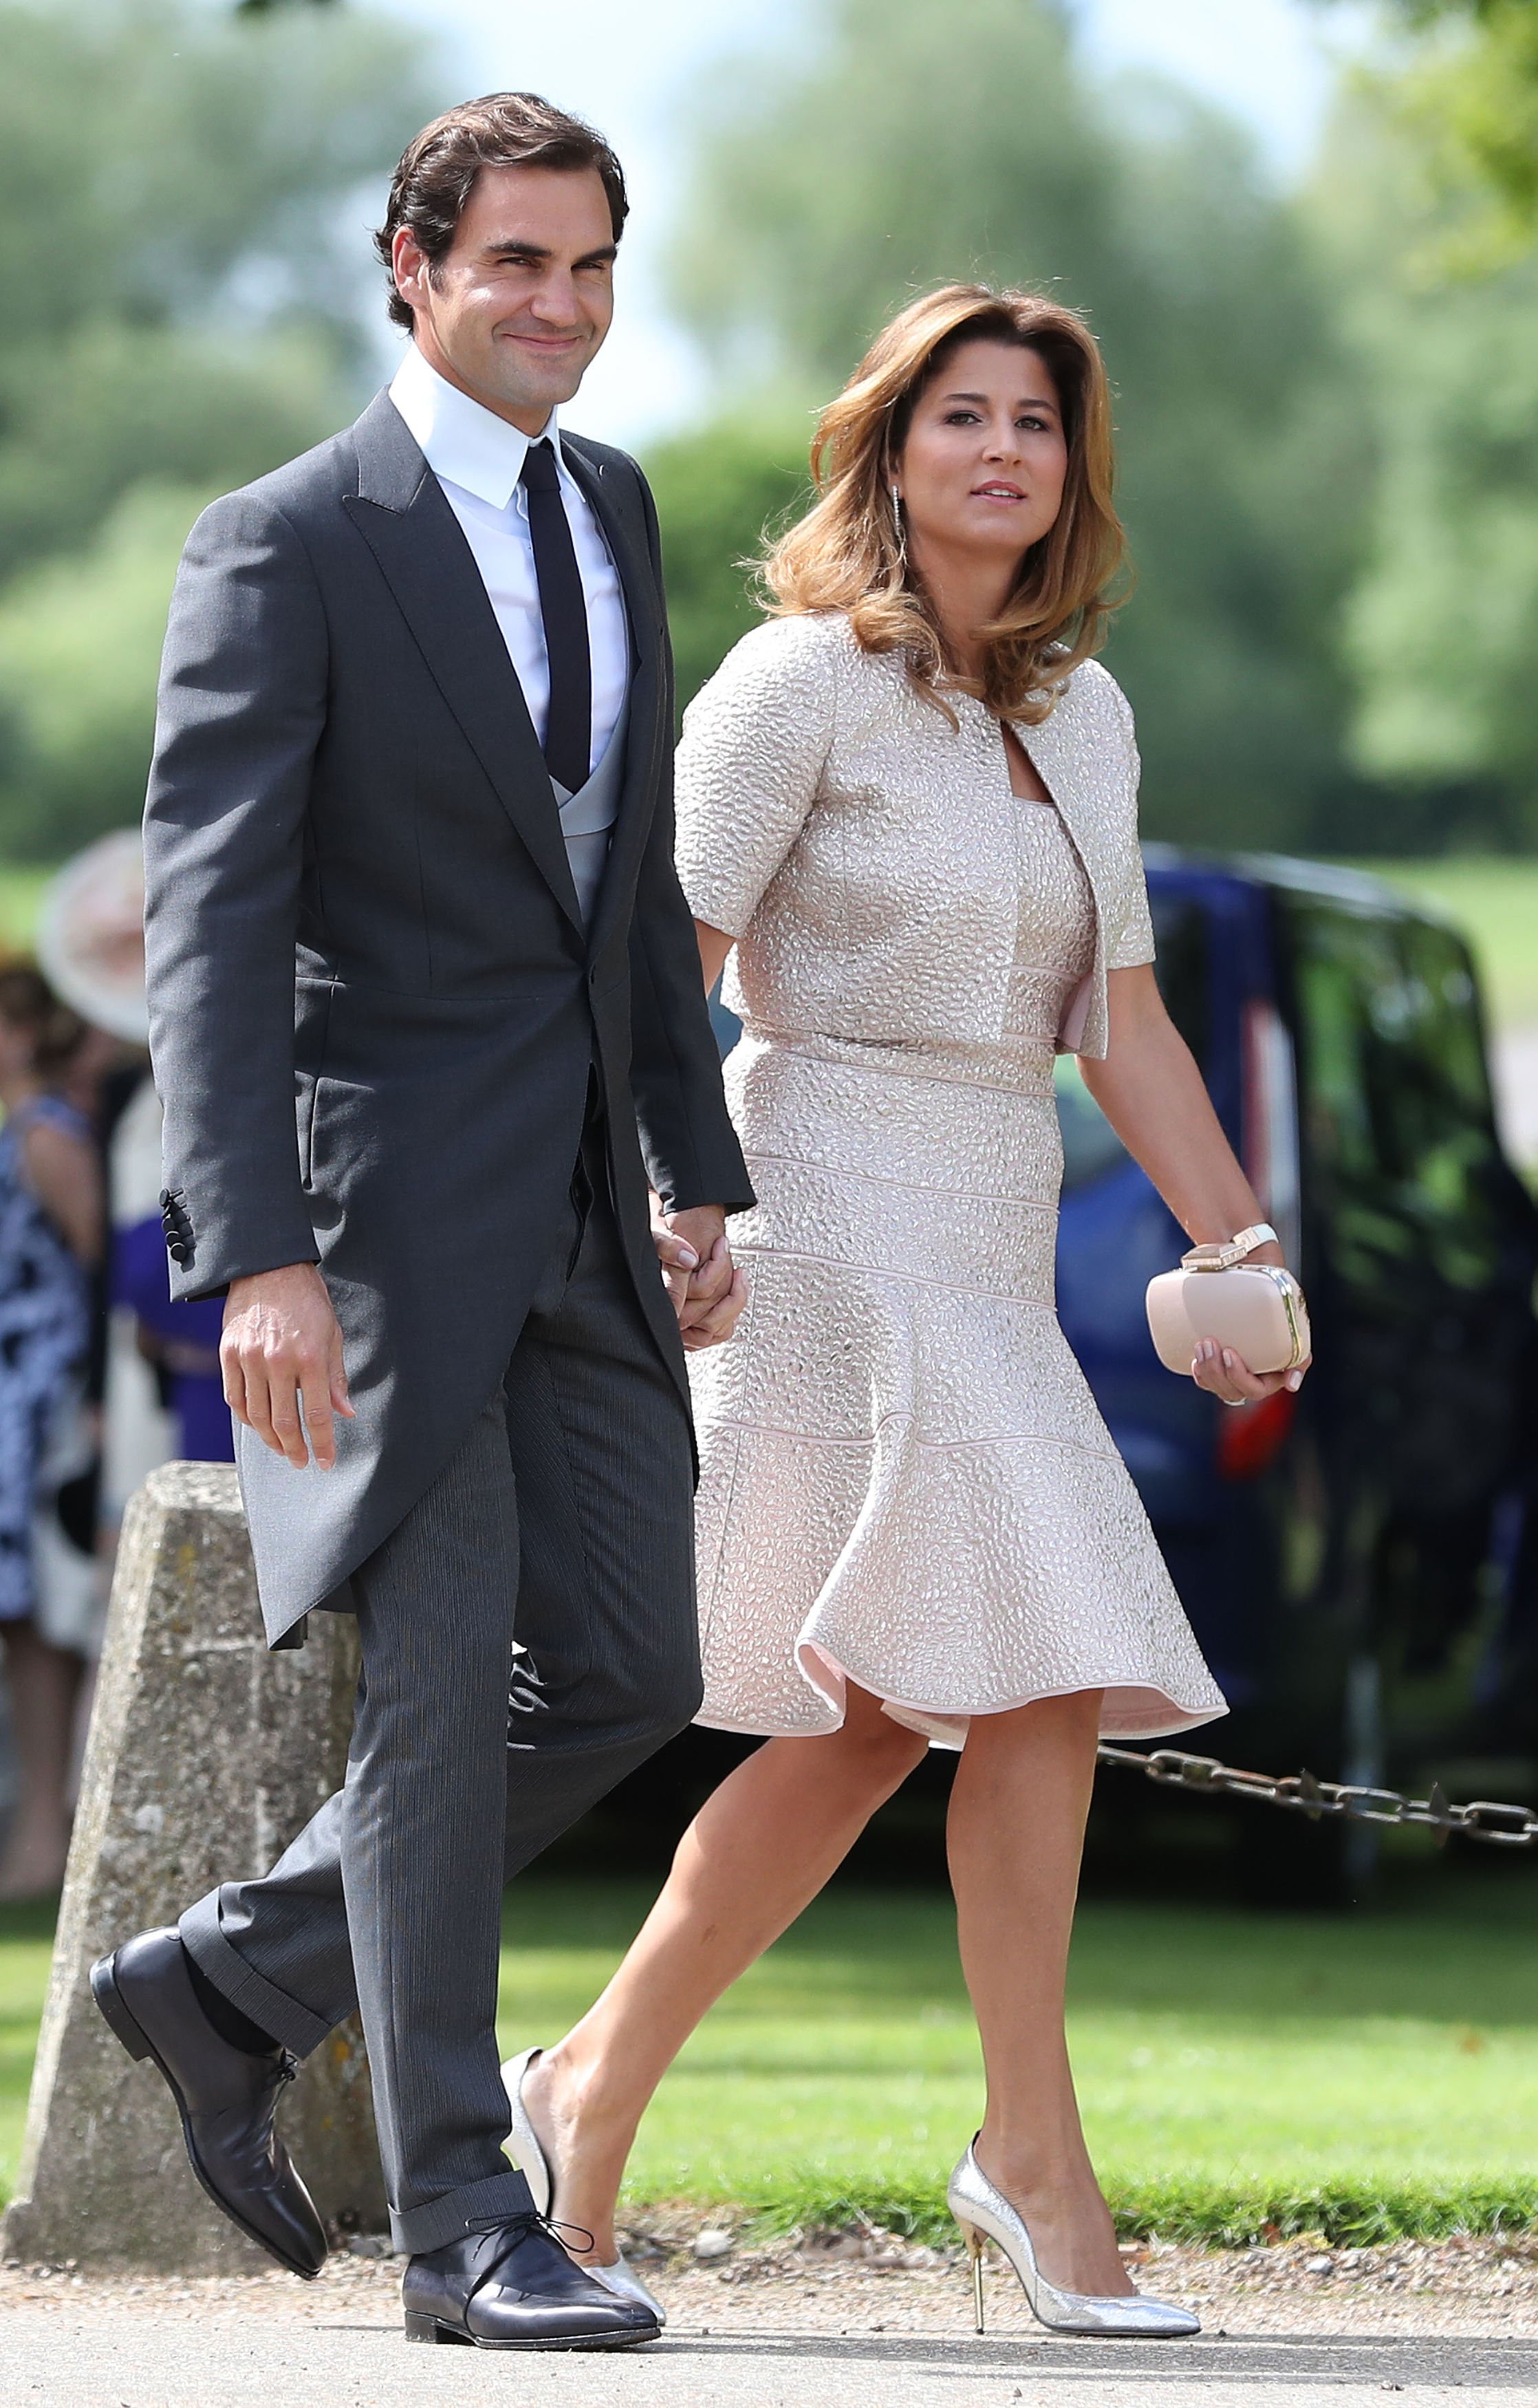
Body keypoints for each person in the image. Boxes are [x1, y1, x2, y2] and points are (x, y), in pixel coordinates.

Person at [502, 284, 1312, 2339]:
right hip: (814, 1199)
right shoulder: (794, 685)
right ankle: (1031, 2158)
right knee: (1027, 1660)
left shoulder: (1085, 717)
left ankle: (584, 2087)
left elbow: (1115, 1013)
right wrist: (660, 1206)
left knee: (869, 1720)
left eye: (1034, 422)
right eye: (959, 414)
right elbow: (660, 973)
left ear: (1070, 470)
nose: (1000, 451)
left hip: (984, 1217)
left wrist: (1233, 1247)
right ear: (886, 446)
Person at [92, 92, 750, 2353]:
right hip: (370, 1226)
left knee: (645, 1665)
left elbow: (624, 891)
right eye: (513, 268)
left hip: (578, 1201)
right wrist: (251, 1250)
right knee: (440, 1691)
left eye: (588, 270)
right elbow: (209, 921)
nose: (556, 311)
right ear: (410, 265)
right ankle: (468, 2227)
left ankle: (225, 1977)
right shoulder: (283, 542)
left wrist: (691, 1162)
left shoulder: (614, 511)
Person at [0, 967, 104, 1900]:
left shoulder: (45, 1138)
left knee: (39, 1617)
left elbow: (95, 1267)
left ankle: (44, 1832)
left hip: (38, 1406)